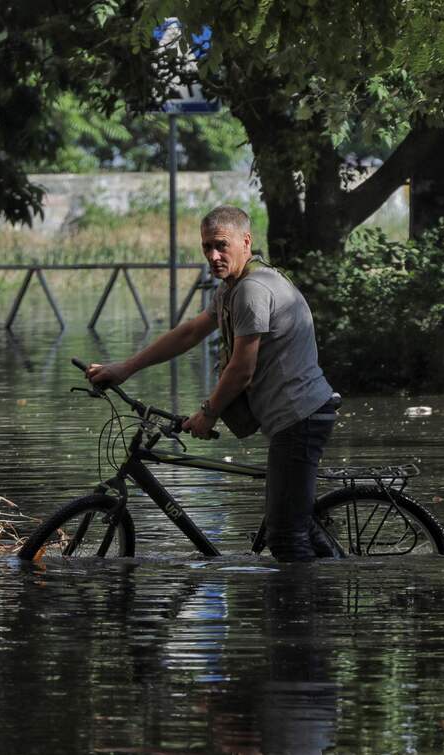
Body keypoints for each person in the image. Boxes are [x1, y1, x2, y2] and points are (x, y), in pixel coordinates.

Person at [86, 205, 337, 562]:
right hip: (291, 417)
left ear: (246, 241)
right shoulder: (231, 289)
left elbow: (241, 369)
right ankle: (329, 585)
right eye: (206, 247)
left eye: (221, 245)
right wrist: (126, 367)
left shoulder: (253, 289)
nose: (213, 255)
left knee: (284, 537)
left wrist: (208, 413)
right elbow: (190, 332)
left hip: (301, 417)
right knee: (293, 521)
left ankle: (306, 614)